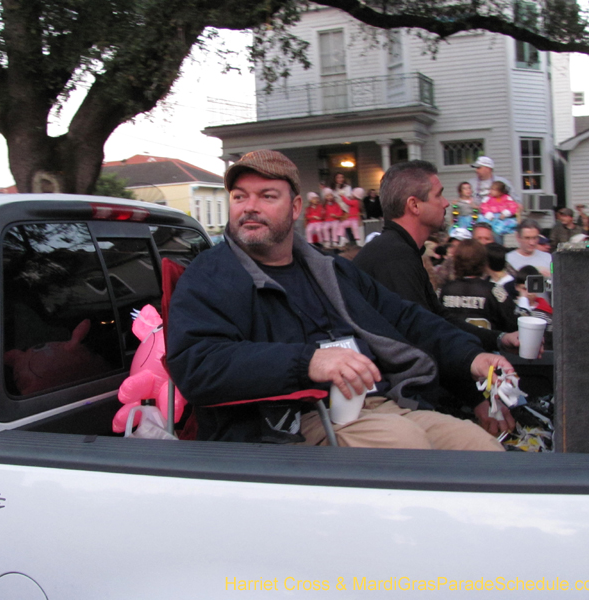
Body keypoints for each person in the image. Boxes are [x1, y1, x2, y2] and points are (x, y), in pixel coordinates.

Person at [166, 150, 512, 448]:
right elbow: (197, 364)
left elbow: (405, 317)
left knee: (478, 448)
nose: (249, 208)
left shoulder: (331, 269)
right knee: (405, 445)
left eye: (267, 196)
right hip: (290, 422)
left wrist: (472, 355)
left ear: (296, 206)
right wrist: (308, 362)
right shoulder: (210, 275)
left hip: (380, 403)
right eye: (240, 197)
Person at [353, 159, 520, 431]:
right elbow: (419, 338)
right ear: (414, 205)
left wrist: (500, 338)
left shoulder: (402, 252)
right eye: (439, 194)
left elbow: (438, 319)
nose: (446, 204)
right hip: (393, 404)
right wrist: (476, 398)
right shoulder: (392, 258)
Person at [439, 240, 519, 334]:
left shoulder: (444, 290)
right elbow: (513, 322)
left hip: (453, 347)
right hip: (485, 347)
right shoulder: (495, 291)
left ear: (456, 262)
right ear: (483, 261)